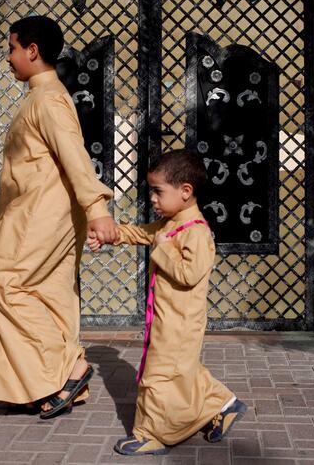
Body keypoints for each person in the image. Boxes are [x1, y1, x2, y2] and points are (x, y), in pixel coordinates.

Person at [0, 15, 119, 419]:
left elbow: (75, 156)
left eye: (11, 48)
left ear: (32, 50)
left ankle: (68, 366)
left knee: (8, 284)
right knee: (49, 293)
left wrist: (98, 209)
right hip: (36, 211)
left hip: (42, 215)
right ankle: (51, 383)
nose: (7, 58)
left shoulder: (48, 100)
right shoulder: (40, 97)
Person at [88, 149, 247, 455]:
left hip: (180, 325)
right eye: (152, 192)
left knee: (157, 378)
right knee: (184, 372)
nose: (153, 199)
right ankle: (223, 404)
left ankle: (151, 434)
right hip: (164, 320)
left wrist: (162, 250)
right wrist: (111, 235)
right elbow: (141, 233)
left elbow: (189, 274)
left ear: (186, 191)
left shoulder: (196, 233)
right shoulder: (169, 225)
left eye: (159, 192)